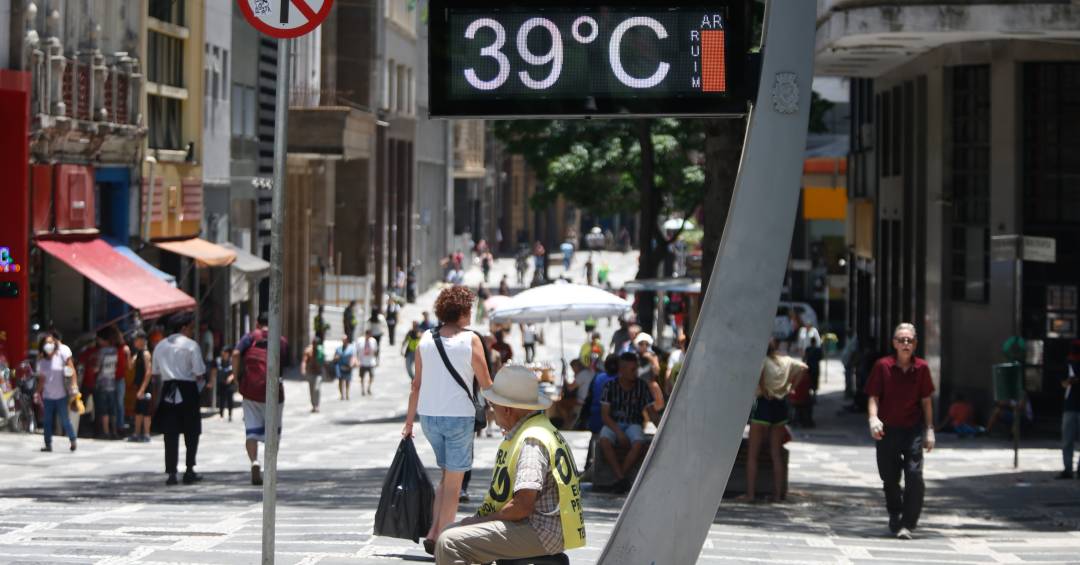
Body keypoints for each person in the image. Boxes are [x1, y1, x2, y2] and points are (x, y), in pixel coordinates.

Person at [434, 365, 586, 565]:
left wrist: (479, 521)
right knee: (452, 531)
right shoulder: (538, 429)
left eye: (493, 406)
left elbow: (522, 506)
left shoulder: (532, 442)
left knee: (450, 542)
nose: (491, 411)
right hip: (542, 526)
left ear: (507, 409)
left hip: (541, 530)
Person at [404, 285, 495, 555]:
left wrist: (409, 423)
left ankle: (434, 532)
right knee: (455, 483)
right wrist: (506, 411)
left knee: (446, 475)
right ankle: (446, 541)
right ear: (463, 311)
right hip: (458, 418)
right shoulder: (471, 340)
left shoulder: (425, 339)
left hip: (429, 418)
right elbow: (486, 384)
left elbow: (416, 385)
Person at [866, 323, 935, 540]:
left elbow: (926, 402)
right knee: (889, 478)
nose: (906, 344)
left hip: (912, 430)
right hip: (887, 430)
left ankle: (908, 523)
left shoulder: (922, 368)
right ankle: (895, 512)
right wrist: (873, 418)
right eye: (901, 340)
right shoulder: (882, 366)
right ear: (894, 343)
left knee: (914, 476)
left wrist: (930, 430)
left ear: (915, 344)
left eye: (910, 340)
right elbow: (873, 396)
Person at [737, 339, 807, 503]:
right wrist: (791, 386)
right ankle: (777, 495)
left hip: (763, 404)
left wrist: (764, 388)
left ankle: (751, 494)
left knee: (752, 453)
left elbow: (760, 375)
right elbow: (804, 368)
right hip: (780, 406)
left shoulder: (762, 361)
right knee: (776, 453)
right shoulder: (786, 361)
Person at [151, 312, 207, 485]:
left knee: (170, 432)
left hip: (168, 389)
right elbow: (199, 371)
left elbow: (155, 373)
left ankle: (171, 472)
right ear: (183, 328)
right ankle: (189, 469)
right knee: (192, 431)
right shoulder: (191, 346)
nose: (192, 331)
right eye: (191, 328)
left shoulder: (160, 346)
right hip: (188, 388)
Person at [233, 312, 288, 486]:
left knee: (252, 430)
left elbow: (235, 354)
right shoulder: (281, 340)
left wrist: (237, 377)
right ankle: (269, 467)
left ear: (257, 323)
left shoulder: (250, 337)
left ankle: (254, 461)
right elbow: (284, 363)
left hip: (251, 390)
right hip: (273, 391)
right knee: (273, 431)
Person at [598, 352, 663, 492]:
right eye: (632, 369)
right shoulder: (610, 387)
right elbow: (605, 415)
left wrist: (663, 430)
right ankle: (621, 479)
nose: (636, 372)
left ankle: (619, 478)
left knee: (639, 442)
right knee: (604, 440)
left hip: (634, 423)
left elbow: (652, 413)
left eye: (636, 368)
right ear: (622, 370)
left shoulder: (642, 386)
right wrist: (619, 433)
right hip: (613, 423)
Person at [34, 333, 78, 452]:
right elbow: (42, 380)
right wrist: (37, 392)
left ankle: (72, 440)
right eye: (46, 343)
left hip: (61, 395)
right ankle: (48, 443)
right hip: (48, 396)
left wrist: (74, 386)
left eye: (51, 342)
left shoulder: (61, 357)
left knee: (65, 419)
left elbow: (71, 370)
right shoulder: (42, 361)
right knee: (47, 421)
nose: (49, 345)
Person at [93, 327, 120, 439]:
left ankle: (106, 432)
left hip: (102, 383)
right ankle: (114, 430)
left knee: (103, 410)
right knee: (112, 409)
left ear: (103, 340)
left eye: (99, 340)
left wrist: (94, 368)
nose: (98, 342)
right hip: (112, 383)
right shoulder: (115, 350)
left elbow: (97, 367)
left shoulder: (101, 352)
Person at [1060, 339, 1080, 479]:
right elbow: (1063, 383)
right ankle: (1068, 469)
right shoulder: (1068, 364)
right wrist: (1070, 382)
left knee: (1068, 440)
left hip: (1072, 406)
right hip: (1070, 406)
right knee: (1067, 440)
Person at [128, 331, 154, 442]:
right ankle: (137, 433)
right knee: (138, 411)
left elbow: (148, 372)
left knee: (146, 411)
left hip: (145, 387)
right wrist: (130, 354)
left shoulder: (146, 354)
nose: (134, 342)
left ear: (142, 340)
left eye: (136, 340)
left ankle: (147, 434)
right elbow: (130, 366)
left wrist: (142, 389)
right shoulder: (137, 353)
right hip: (138, 386)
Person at [212, 347, 236, 421]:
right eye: (222, 352)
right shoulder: (218, 361)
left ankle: (230, 415)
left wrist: (231, 378)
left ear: (228, 353)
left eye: (225, 352)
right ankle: (221, 415)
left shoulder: (232, 361)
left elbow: (235, 371)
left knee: (230, 400)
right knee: (221, 399)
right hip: (221, 383)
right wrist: (212, 381)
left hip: (230, 384)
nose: (224, 354)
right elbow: (214, 370)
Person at [301, 337, 324, 413]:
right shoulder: (308, 350)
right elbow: (304, 361)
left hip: (318, 373)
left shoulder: (320, 351)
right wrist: (303, 369)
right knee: (311, 390)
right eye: (314, 343)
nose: (315, 345)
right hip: (310, 373)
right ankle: (313, 405)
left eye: (317, 344)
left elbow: (323, 361)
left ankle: (317, 405)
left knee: (317, 389)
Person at [333, 333, 358, 400]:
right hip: (340, 366)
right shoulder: (338, 349)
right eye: (343, 340)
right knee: (340, 381)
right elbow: (334, 357)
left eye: (345, 340)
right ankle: (341, 394)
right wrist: (336, 358)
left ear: (347, 340)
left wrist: (352, 364)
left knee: (347, 381)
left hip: (348, 366)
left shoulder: (351, 348)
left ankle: (347, 393)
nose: (344, 341)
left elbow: (353, 357)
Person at [357, 328, 379, 396]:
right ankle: (362, 389)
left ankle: (368, 388)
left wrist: (377, 360)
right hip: (362, 362)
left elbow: (376, 351)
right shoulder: (360, 341)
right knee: (362, 377)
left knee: (371, 376)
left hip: (371, 361)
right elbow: (357, 351)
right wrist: (357, 360)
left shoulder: (373, 341)